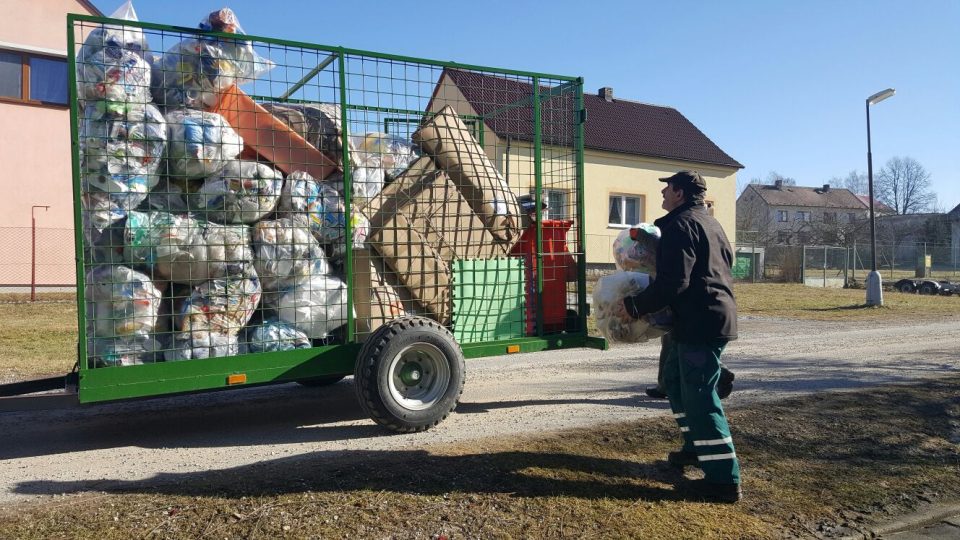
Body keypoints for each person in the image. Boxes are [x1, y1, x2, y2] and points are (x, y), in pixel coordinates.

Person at [623, 170, 742, 503]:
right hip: (701, 318)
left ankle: (724, 480)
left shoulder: (679, 226)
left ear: (679, 192)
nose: (662, 194)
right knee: (673, 382)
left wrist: (635, 305)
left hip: (700, 321)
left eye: (667, 188)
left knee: (701, 396)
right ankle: (695, 449)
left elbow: (675, 281)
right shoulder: (710, 223)